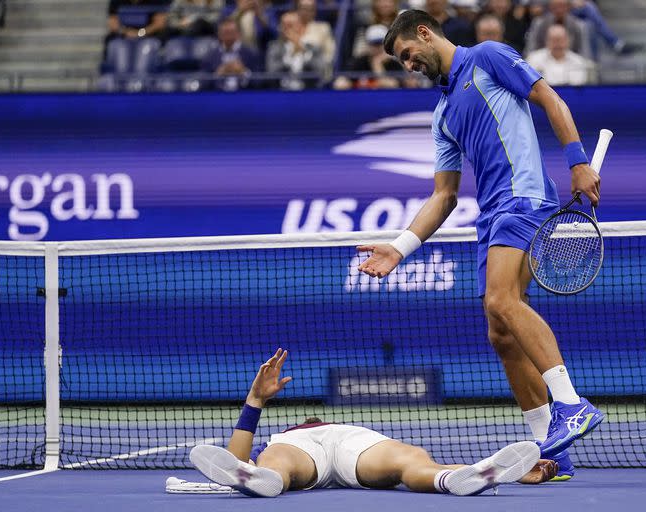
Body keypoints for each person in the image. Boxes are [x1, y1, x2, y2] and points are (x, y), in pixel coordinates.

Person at [357, 9, 606, 481]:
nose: (409, 65)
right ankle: (550, 451)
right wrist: (399, 247)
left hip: (524, 198)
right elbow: (443, 195)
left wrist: (576, 161)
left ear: (425, 34)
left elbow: (548, 97)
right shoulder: (443, 114)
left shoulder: (488, 57)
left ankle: (572, 405)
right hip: (489, 218)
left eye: (409, 55)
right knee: (500, 331)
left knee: (501, 298)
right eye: (402, 63)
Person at [189, 349, 558, 497]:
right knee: (411, 461)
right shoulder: (282, 439)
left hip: (350, 444)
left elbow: (235, 461)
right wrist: (255, 400)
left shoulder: (299, 436)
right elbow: (234, 461)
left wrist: (516, 471)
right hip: (330, 449)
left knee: (413, 458)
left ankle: (462, 476)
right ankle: (265, 480)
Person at [265, 10, 325, 90]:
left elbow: (321, 73)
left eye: (290, 25)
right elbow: (271, 72)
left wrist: (304, 52)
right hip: (281, 93)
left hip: (308, 93)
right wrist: (290, 56)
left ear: (301, 27)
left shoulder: (313, 48)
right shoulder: (274, 47)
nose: (287, 29)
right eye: (284, 26)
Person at [526, 24, 595, 86]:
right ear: (547, 41)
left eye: (560, 40)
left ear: (568, 41)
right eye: (554, 40)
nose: (557, 44)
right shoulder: (533, 60)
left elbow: (579, 84)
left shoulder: (579, 61)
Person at [203, 19, 261, 90]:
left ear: (238, 33)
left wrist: (243, 72)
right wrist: (217, 74)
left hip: (245, 96)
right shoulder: (210, 56)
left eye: (231, 32)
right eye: (225, 33)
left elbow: (259, 82)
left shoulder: (251, 54)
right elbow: (203, 82)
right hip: (217, 96)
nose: (228, 36)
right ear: (219, 34)